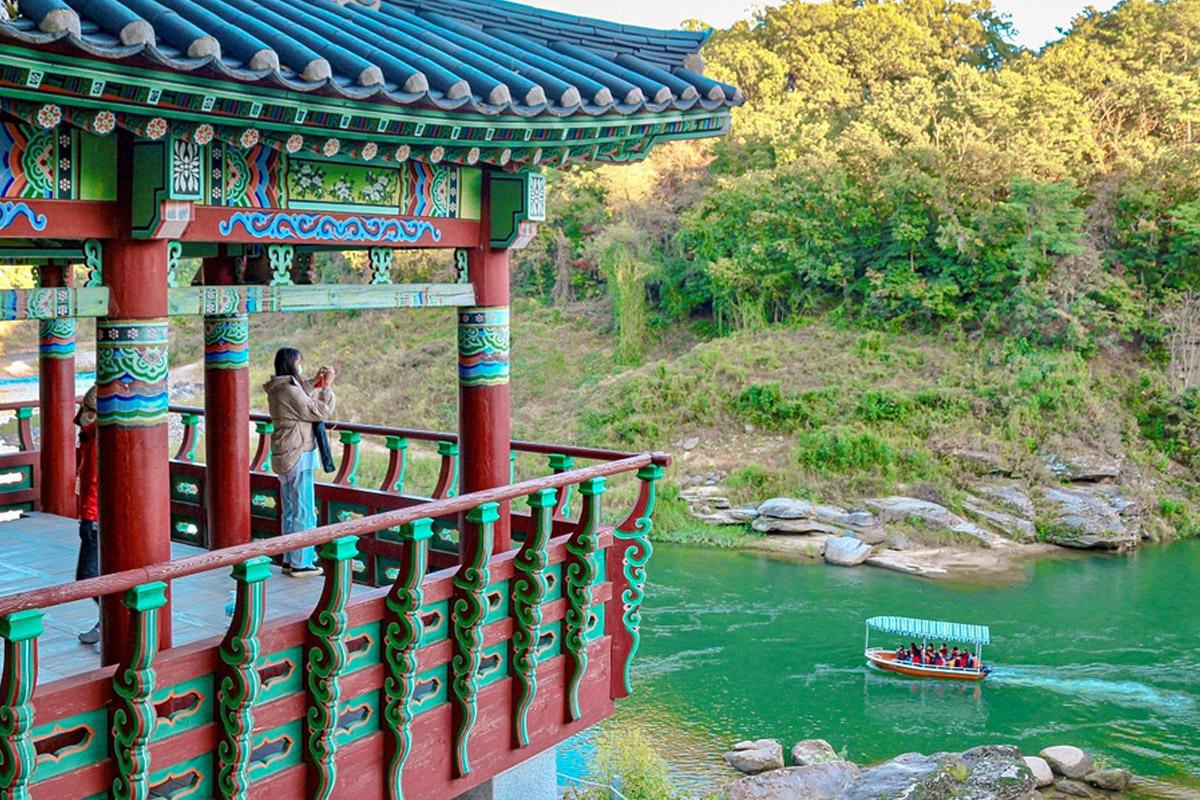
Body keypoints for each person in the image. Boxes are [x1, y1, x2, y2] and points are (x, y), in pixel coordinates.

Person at [264, 348, 336, 577]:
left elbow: (300, 395)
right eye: (299, 363)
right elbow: (319, 410)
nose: (300, 366)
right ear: (292, 365)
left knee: (290, 508)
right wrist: (326, 388)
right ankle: (302, 562)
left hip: (285, 453)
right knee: (304, 508)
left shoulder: (280, 388)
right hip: (299, 452)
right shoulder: (289, 391)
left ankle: (290, 558)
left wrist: (314, 382)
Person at [75, 387, 100, 644]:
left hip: (96, 519)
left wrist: (88, 518)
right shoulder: (89, 437)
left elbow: (92, 482)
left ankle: (110, 619)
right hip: (95, 517)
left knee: (88, 575)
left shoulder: (94, 440)